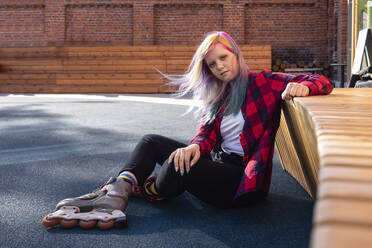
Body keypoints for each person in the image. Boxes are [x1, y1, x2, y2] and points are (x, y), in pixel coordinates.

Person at [41, 31, 333, 230]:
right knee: (152, 141)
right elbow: (206, 135)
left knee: (179, 165)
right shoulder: (220, 94)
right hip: (216, 164)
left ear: (236, 55)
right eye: (212, 64)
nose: (219, 67)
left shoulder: (263, 83)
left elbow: (321, 80)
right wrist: (194, 147)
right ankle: (118, 191)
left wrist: (304, 86)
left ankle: (142, 190)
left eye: (224, 58)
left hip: (240, 182)